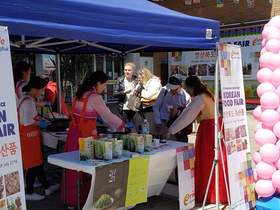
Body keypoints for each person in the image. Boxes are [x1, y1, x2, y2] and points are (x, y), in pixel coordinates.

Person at [62, 71, 125, 208]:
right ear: (98, 83)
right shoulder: (94, 97)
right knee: (87, 170)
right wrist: (121, 124)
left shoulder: (79, 94)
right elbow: (107, 116)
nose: (104, 88)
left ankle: (72, 201)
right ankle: (85, 201)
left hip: (73, 135)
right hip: (85, 139)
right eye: (104, 85)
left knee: (73, 169)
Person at [168, 76, 228, 204]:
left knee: (207, 160)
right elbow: (187, 113)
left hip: (209, 130)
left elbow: (186, 117)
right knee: (217, 160)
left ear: (191, 87)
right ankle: (219, 192)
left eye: (187, 88)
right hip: (216, 127)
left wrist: (171, 130)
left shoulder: (199, 98)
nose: (187, 91)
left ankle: (210, 192)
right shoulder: (207, 94)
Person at [17, 76, 59, 201]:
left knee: (37, 163)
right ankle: (29, 192)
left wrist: (40, 118)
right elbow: (30, 121)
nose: (41, 93)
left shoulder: (25, 98)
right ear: (34, 89)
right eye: (41, 90)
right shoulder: (28, 102)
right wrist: (44, 122)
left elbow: (31, 117)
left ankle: (47, 187)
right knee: (33, 165)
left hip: (28, 137)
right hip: (29, 137)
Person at [153, 75, 191, 141]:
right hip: (163, 122)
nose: (173, 91)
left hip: (177, 124)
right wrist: (158, 122)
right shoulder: (165, 91)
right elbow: (156, 106)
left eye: (175, 89)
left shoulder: (186, 97)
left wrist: (177, 111)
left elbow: (188, 114)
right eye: (171, 89)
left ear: (180, 86)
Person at [137, 68, 161, 134]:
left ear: (145, 77)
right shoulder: (144, 83)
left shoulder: (154, 83)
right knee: (145, 130)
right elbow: (136, 90)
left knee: (150, 130)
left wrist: (140, 91)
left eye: (140, 78)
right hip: (144, 109)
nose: (139, 80)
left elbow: (148, 95)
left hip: (151, 110)